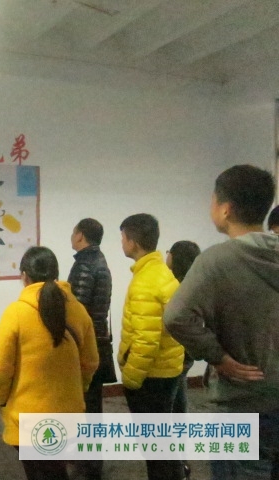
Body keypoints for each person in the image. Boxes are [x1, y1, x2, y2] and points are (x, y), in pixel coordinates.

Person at [164, 164, 278, 480]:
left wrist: (218, 357)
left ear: (225, 209)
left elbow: (176, 316)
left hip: (242, 402)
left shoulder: (216, 260)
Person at [0, 246, 99, 480]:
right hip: (69, 417)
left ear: (24, 276)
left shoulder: (16, 313)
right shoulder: (79, 311)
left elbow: (0, 369)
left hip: (27, 421)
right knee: (56, 471)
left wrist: (1, 400)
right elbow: (91, 362)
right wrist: (79, 390)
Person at [117, 214, 185, 480]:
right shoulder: (160, 272)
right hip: (167, 371)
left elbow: (146, 341)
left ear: (133, 242)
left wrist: (131, 379)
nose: (121, 243)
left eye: (123, 237)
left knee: (155, 448)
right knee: (163, 443)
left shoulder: (146, 282)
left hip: (151, 377)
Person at [67, 218, 113, 480]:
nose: (71, 236)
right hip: (96, 342)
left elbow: (77, 311)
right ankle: (91, 461)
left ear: (80, 235)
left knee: (86, 407)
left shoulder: (85, 265)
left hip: (85, 345)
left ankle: (90, 465)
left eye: (73, 232)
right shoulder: (99, 260)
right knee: (92, 406)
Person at [165, 240, 201, 415]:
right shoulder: (196, 284)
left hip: (178, 349)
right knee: (179, 388)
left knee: (171, 397)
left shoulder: (177, 288)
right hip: (189, 349)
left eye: (168, 252)